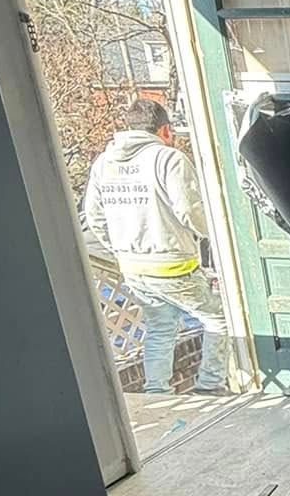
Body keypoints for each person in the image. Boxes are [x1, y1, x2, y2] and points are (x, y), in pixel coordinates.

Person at [84, 99, 229, 395]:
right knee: (218, 320)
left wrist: (120, 249)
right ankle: (210, 385)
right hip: (172, 263)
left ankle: (156, 394)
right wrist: (212, 238)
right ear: (164, 130)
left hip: (133, 267)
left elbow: (94, 217)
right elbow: (191, 210)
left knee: (160, 328)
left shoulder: (104, 164)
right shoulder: (167, 160)